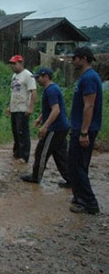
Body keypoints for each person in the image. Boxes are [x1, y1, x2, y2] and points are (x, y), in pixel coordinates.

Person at [67, 46, 103, 215]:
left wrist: (83, 132)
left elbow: (89, 105)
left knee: (76, 166)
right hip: (80, 127)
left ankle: (89, 203)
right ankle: (80, 198)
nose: (72, 61)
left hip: (83, 129)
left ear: (82, 58)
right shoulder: (86, 77)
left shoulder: (89, 78)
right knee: (79, 165)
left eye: (74, 58)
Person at [20, 67, 70, 185]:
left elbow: (56, 110)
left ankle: (36, 177)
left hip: (55, 128)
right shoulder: (53, 88)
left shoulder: (51, 90)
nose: (37, 80)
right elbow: (51, 107)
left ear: (46, 77)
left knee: (42, 151)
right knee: (61, 156)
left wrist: (45, 126)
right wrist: (40, 118)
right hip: (61, 128)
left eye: (38, 77)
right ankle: (71, 180)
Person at [6, 55, 37, 163]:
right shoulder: (14, 75)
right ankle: (17, 153)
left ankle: (24, 156)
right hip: (15, 107)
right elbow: (13, 92)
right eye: (11, 64)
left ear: (21, 63)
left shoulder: (28, 75)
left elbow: (33, 92)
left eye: (14, 63)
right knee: (15, 132)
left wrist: (30, 107)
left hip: (23, 108)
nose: (12, 66)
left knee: (23, 132)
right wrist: (9, 106)